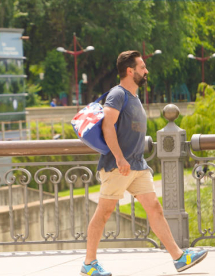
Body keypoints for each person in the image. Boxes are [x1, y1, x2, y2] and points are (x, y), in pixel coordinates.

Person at [80, 50, 208, 276]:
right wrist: (119, 158)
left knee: (155, 209)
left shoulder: (134, 96)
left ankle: (179, 257)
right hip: (118, 166)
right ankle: (89, 264)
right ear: (130, 71)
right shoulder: (118, 94)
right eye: (142, 67)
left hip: (137, 166)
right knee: (104, 212)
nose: (146, 71)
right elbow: (107, 126)